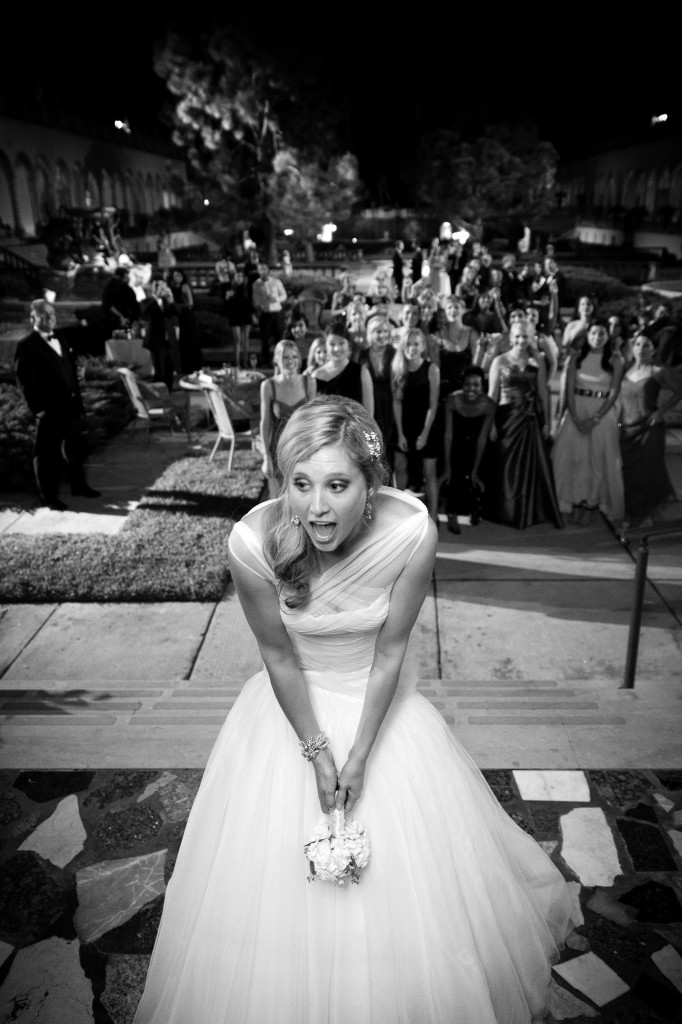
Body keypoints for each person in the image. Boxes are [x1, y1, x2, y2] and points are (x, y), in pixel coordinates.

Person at [132, 394, 575, 1024]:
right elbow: (279, 657)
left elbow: (391, 651)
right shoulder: (253, 544)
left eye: (338, 485)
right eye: (300, 484)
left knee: (413, 896)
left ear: (371, 485)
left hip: (378, 709)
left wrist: (361, 754)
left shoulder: (411, 532)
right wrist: (316, 752)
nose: (316, 507)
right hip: (290, 716)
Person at [14, 298, 100, 510]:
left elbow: (67, 365)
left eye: (52, 314)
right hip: (49, 409)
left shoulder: (61, 337)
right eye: (44, 315)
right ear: (33, 318)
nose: (50, 318)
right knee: (46, 455)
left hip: (70, 404)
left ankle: (79, 486)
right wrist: (38, 409)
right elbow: (26, 381)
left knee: (74, 448)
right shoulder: (26, 346)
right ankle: (49, 497)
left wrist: (77, 375)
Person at [480, 318, 563, 530]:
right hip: (506, 419)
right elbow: (492, 396)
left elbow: (544, 393)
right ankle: (505, 511)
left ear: (531, 338)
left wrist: (549, 422)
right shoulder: (499, 360)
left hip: (531, 419)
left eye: (525, 336)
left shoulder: (538, 362)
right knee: (505, 466)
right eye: (517, 336)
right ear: (511, 337)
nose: (521, 340)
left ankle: (529, 511)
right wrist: (490, 424)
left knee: (531, 467)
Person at [552, 320, 625, 527]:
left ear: (607, 336)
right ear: (587, 334)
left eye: (602, 333)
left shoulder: (615, 360)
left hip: (602, 414)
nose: (597, 337)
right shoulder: (576, 358)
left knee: (597, 460)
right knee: (567, 457)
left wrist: (595, 418)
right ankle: (566, 503)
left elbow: (614, 392)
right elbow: (569, 389)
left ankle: (590, 504)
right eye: (594, 333)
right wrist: (575, 417)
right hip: (576, 410)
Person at [619, 334, 682, 537]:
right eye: (637, 344)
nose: (641, 348)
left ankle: (639, 518)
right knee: (627, 475)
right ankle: (634, 515)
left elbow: (679, 391)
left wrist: (661, 411)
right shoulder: (625, 369)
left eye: (646, 345)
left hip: (649, 429)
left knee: (645, 474)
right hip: (627, 430)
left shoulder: (658, 371)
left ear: (654, 350)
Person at [391, 328, 440, 521]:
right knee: (400, 467)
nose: (411, 348)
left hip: (428, 425)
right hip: (404, 424)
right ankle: (396, 516)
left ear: (423, 347)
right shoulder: (398, 368)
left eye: (416, 344)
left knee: (429, 472)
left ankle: (434, 517)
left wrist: (425, 434)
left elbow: (433, 405)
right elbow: (397, 401)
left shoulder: (432, 369)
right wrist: (401, 433)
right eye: (408, 344)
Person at [441, 365, 495, 534]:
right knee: (455, 472)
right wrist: (447, 466)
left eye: (476, 385)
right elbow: (448, 434)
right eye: (467, 384)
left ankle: (476, 508)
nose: (471, 389)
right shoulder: (452, 400)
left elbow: (482, 438)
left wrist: (475, 470)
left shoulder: (489, 404)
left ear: (482, 386)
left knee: (482, 471)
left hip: (477, 444)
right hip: (455, 443)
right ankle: (452, 513)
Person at [260, 339, 316, 499]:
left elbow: (314, 422)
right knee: (278, 502)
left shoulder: (309, 382)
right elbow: (265, 423)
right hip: (278, 450)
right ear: (277, 359)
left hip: (303, 449)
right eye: (285, 357)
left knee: (304, 499)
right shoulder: (268, 386)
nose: (291, 361)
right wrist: (266, 458)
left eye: (294, 357)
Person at [358, 317, 396, 461]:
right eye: (378, 331)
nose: (382, 335)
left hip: (390, 408)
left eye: (385, 331)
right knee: (373, 453)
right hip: (369, 407)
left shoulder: (394, 353)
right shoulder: (362, 354)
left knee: (389, 454)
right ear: (370, 333)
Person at [313, 332, 374, 414]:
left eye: (341, 343)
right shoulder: (316, 375)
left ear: (348, 344)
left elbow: (369, 412)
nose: (336, 348)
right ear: (326, 346)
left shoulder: (361, 371)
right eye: (332, 344)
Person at [252, 262, 288, 366]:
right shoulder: (256, 284)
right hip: (266, 313)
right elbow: (255, 300)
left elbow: (284, 295)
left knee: (279, 337)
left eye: (264, 269)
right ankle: (266, 361)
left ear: (268, 270)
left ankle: (278, 360)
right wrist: (262, 302)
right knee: (265, 339)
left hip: (277, 313)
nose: (262, 271)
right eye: (260, 269)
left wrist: (276, 299)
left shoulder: (276, 282)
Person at [169, 268, 203, 374]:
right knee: (181, 341)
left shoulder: (185, 286)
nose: (177, 278)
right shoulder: (172, 287)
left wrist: (175, 305)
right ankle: (183, 366)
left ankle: (193, 365)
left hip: (186, 316)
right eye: (175, 275)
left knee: (189, 339)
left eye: (179, 275)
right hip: (177, 316)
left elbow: (190, 303)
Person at [222, 268, 253, 368]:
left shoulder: (247, 288)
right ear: (234, 277)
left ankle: (245, 361)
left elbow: (250, 303)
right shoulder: (230, 288)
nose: (239, 278)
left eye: (241, 276)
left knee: (246, 339)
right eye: (237, 276)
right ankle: (237, 362)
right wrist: (227, 297)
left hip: (246, 315)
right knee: (237, 339)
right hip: (235, 316)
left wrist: (253, 314)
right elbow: (226, 305)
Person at [101, 266, 140, 338]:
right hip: (118, 322)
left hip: (121, 321)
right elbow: (109, 304)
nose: (129, 278)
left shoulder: (116, 287)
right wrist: (121, 317)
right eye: (126, 276)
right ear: (121, 276)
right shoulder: (116, 287)